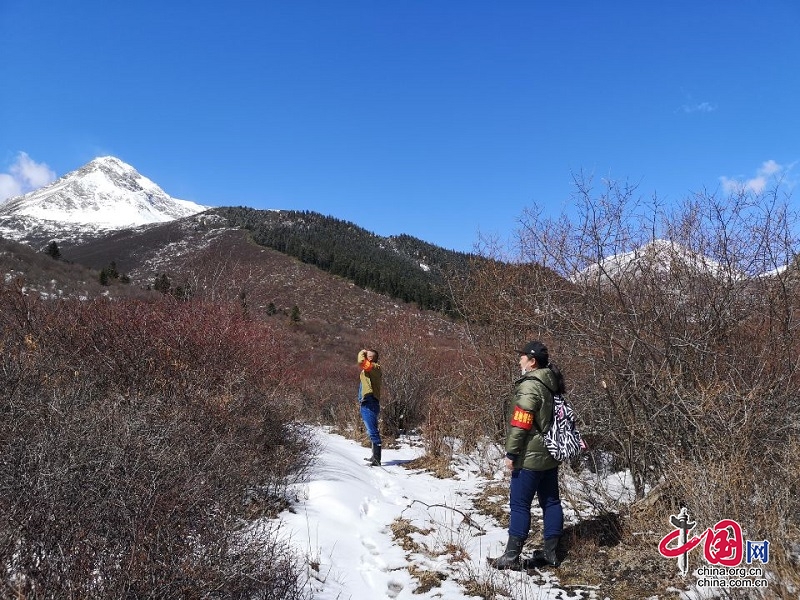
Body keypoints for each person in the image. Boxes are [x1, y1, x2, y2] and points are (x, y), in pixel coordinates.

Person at [492, 340, 564, 570]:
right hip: (549, 453)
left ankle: (511, 557)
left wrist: (511, 453)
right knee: (551, 501)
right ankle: (551, 553)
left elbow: (520, 424)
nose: (519, 360)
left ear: (532, 361)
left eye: (522, 356)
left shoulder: (530, 386)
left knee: (520, 504)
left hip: (530, 456)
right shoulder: (550, 382)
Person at [357, 348, 382, 466]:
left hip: (370, 402)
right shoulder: (369, 369)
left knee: (373, 431)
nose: (366, 356)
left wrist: (362, 352)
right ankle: (374, 456)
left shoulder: (374, 368)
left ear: (371, 358)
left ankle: (377, 459)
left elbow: (362, 362)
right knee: (371, 430)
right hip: (367, 402)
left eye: (368, 355)